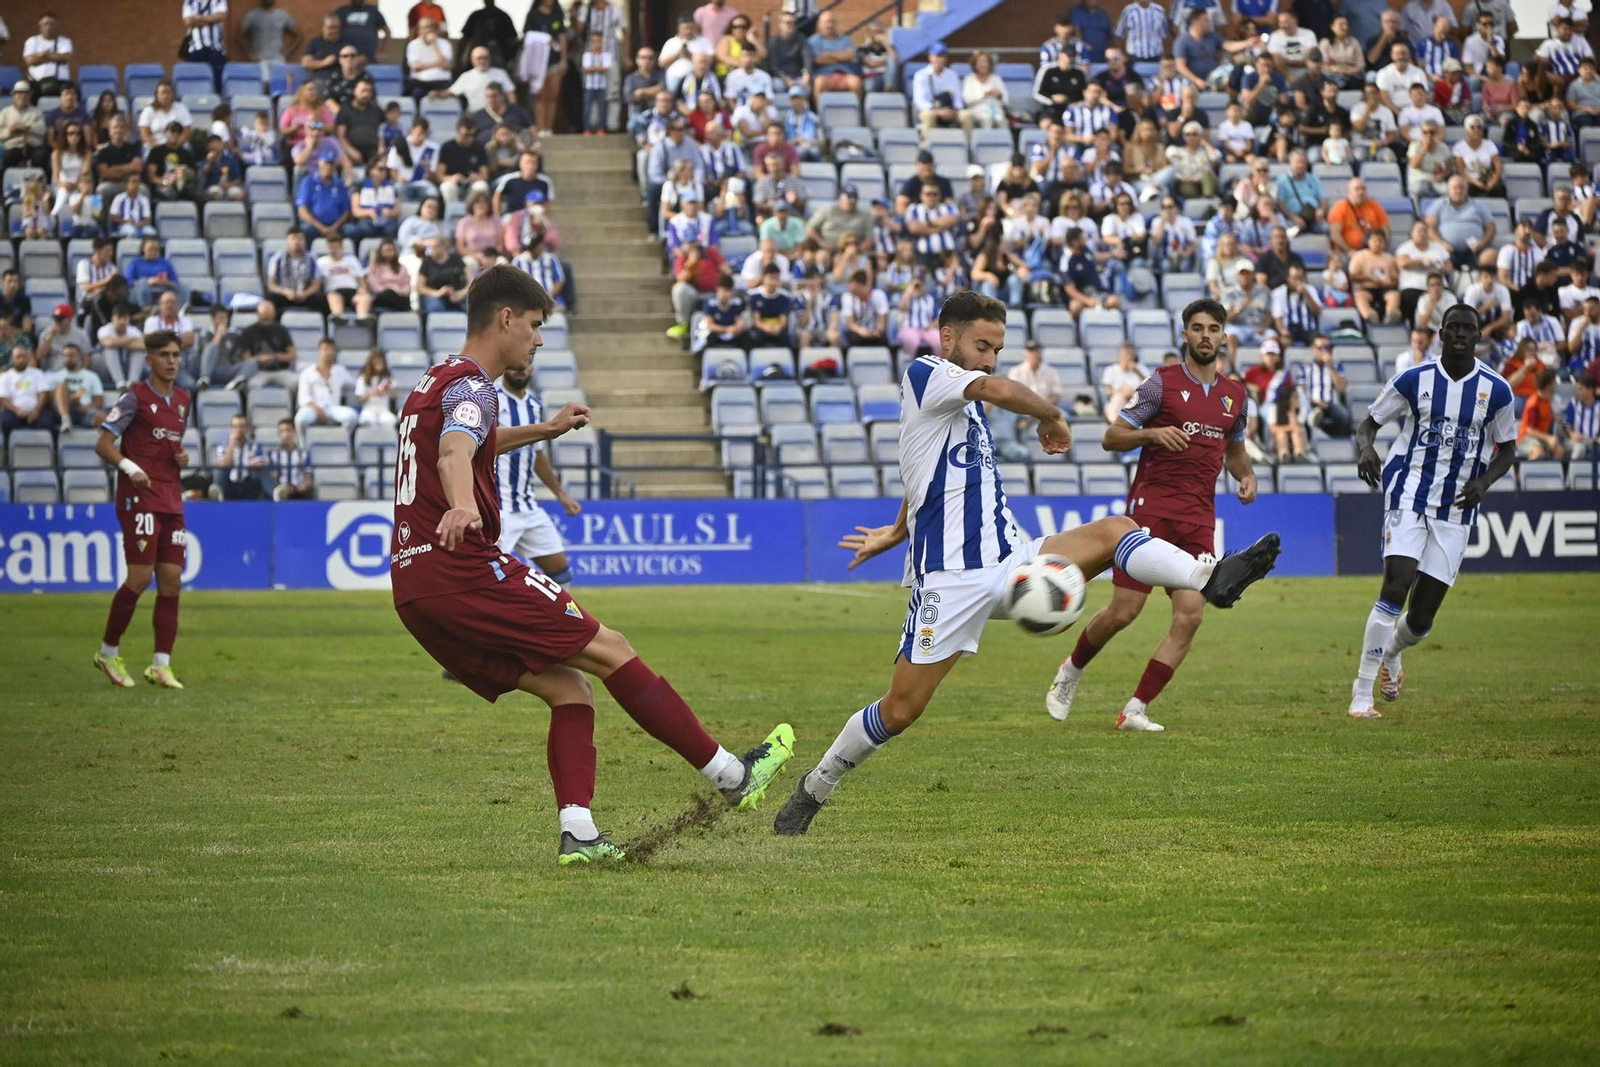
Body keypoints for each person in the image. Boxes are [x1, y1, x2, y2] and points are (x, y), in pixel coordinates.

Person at [774, 292, 1280, 834]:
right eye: (982, 345)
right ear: (948, 338)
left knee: (1119, 530)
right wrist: (1054, 414)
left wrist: (898, 529)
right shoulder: (927, 373)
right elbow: (998, 389)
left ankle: (1208, 577)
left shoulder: (961, 404)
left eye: (998, 348)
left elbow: (922, 469)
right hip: (952, 581)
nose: (990, 358)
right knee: (900, 710)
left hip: (1013, 556)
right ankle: (816, 786)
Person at [391, 266, 792, 861]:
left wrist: (545, 430)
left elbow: (472, 442)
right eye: (533, 325)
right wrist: (458, 506)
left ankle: (578, 834)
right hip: (462, 568)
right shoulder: (476, 385)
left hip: (414, 587)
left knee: (570, 688)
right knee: (612, 649)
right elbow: (456, 454)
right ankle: (733, 776)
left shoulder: (435, 381)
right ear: (505, 319)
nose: (538, 339)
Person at [1348, 305, 1516, 718]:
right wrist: (1367, 449)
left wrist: (1483, 482)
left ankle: (1392, 653)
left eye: (1469, 329)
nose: (1460, 334)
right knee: (1394, 586)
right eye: (1453, 327)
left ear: (1478, 337)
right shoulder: (1414, 379)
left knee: (1421, 620)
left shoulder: (1496, 391)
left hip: (1456, 508)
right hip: (1408, 494)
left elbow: (1507, 449)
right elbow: (1368, 424)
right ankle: (1361, 693)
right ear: (1441, 332)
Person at [92, 331, 190, 690]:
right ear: (149, 359)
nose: (171, 361)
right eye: (164, 354)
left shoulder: (183, 399)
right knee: (140, 577)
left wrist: (182, 458)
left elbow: (170, 444)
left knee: (171, 579)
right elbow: (103, 444)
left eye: (176, 354)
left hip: (171, 497)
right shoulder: (134, 398)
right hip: (140, 497)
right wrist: (130, 467)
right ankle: (108, 651)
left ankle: (161, 664)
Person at [294, 338, 357, 436]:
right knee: (300, 419)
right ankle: (303, 447)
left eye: (332, 349)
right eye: (326, 349)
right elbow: (303, 399)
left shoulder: (340, 371)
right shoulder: (307, 372)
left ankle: (341, 440)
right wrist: (318, 410)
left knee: (351, 417)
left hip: (333, 408)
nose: (329, 352)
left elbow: (355, 383)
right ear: (319, 351)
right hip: (312, 408)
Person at [807, 10, 861, 103]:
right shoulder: (814, 41)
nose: (829, 25)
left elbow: (849, 56)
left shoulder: (846, 39)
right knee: (819, 83)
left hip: (845, 74)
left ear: (836, 24)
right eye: (826, 22)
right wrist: (841, 56)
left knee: (856, 82)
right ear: (819, 25)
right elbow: (819, 60)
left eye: (832, 21)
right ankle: (820, 114)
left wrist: (828, 54)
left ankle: (856, 114)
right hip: (824, 75)